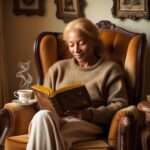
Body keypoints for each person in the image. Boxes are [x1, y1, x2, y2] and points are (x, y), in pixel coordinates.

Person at [26, 18, 128, 150]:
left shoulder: (110, 69)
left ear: (94, 42)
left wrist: (90, 114)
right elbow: (43, 101)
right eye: (71, 44)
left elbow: (120, 104)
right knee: (42, 116)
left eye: (81, 43)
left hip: (88, 123)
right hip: (56, 119)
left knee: (49, 134)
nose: (76, 50)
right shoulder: (58, 68)